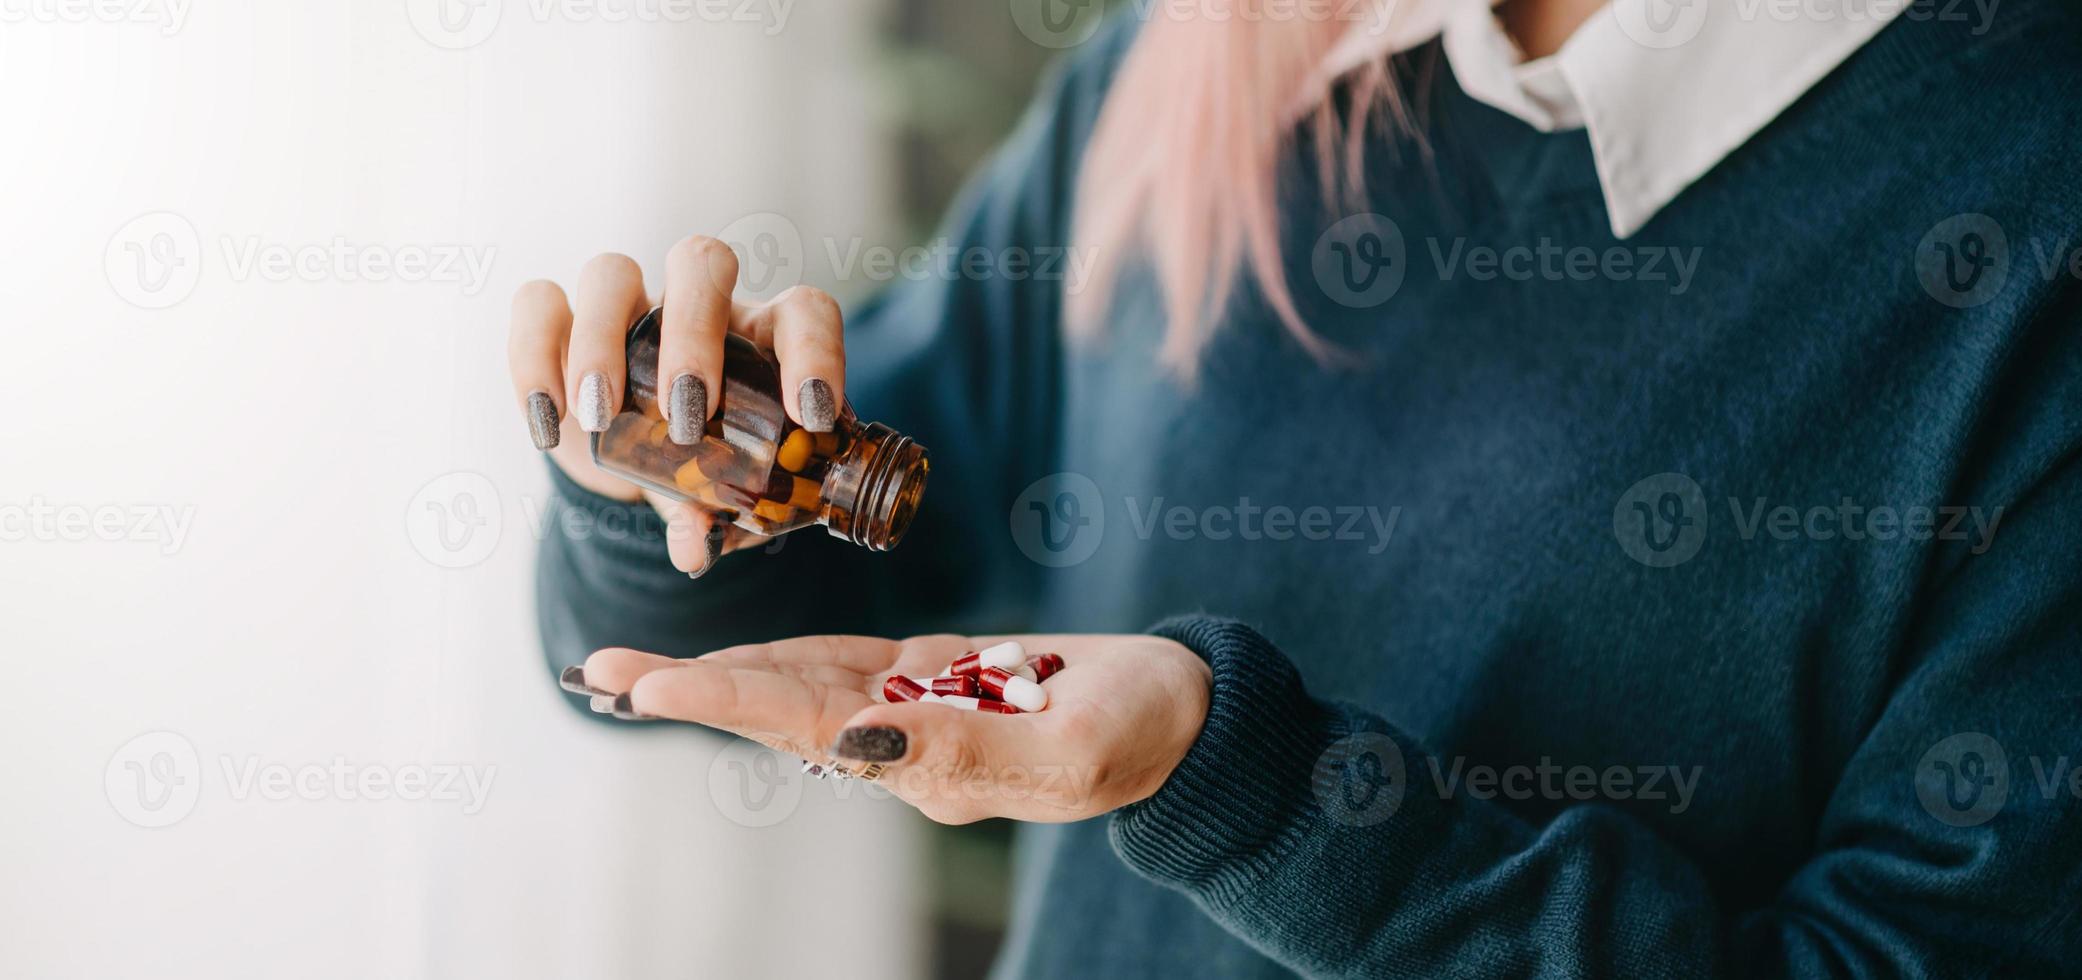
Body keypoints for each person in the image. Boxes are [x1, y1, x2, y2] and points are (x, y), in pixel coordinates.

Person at [508, 0, 2082, 975]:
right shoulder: (1209, 55)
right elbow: (751, 625)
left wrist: (1253, 788)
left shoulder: (2027, 213)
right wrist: (651, 476)